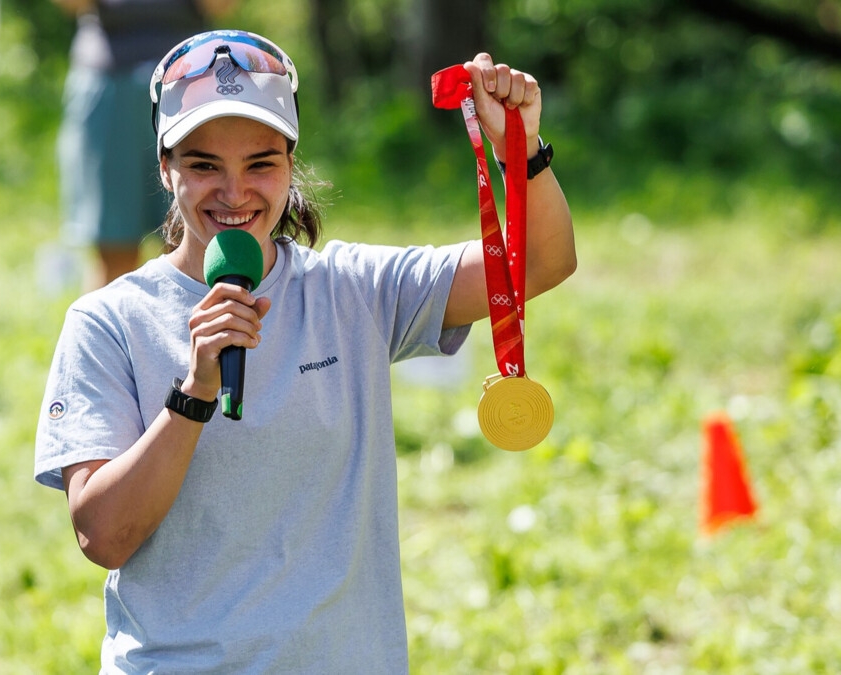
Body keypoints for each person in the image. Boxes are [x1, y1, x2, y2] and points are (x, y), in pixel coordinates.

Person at [34, 29, 576, 672]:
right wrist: (194, 394)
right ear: (164, 167)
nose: (234, 192)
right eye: (204, 165)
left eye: (260, 164)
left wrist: (523, 149)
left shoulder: (354, 290)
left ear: (291, 165)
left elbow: (539, 263)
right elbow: (103, 535)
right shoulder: (107, 321)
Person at [52, 0, 235, 288]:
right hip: (109, 81)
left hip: (189, 81)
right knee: (114, 248)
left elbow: (219, 6)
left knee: (192, 240)